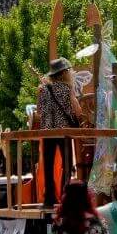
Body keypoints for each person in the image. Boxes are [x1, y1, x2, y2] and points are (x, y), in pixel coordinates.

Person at [35, 58, 83, 207]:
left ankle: (49, 198)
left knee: (48, 166)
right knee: (67, 165)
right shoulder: (67, 89)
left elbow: (39, 112)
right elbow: (77, 111)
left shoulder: (43, 89)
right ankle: (65, 195)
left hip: (48, 131)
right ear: (63, 73)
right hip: (64, 131)